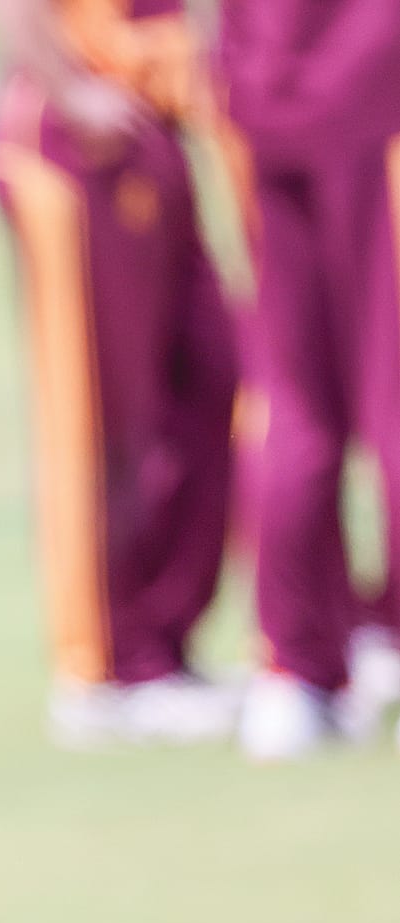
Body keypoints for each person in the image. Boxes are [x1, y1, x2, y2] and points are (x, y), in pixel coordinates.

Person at [0, 0, 242, 747]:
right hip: (75, 144)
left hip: (151, 123)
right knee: (98, 416)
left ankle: (163, 646)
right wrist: (67, 88)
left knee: (207, 382)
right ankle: (102, 670)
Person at [217, 0, 400, 759]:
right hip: (374, 92)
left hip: (265, 91)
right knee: (371, 395)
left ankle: (297, 668)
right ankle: (301, 661)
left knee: (293, 402)